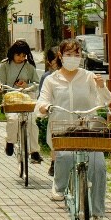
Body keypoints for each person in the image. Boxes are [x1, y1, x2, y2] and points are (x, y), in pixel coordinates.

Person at [36, 38, 111, 220]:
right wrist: (44, 107)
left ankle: (98, 216)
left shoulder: (88, 77)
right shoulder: (52, 80)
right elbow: (42, 102)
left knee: (98, 167)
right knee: (65, 157)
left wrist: (102, 86)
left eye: (77, 54)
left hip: (88, 129)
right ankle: (59, 186)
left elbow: (105, 101)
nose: (73, 58)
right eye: (69, 54)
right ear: (60, 56)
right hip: (62, 129)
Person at [0, 39, 41, 163]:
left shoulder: (29, 66)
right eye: (18, 55)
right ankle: (10, 142)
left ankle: (35, 151)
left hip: (26, 97)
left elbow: (36, 82)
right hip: (11, 97)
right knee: (13, 120)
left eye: (23, 55)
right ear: (13, 53)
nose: (21, 58)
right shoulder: (5, 65)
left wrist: (26, 85)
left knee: (32, 122)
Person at [38, 47, 61, 175]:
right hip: (55, 114)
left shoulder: (80, 75)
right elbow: (41, 98)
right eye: (56, 61)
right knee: (55, 140)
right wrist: (45, 107)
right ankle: (53, 163)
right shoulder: (47, 78)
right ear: (49, 63)